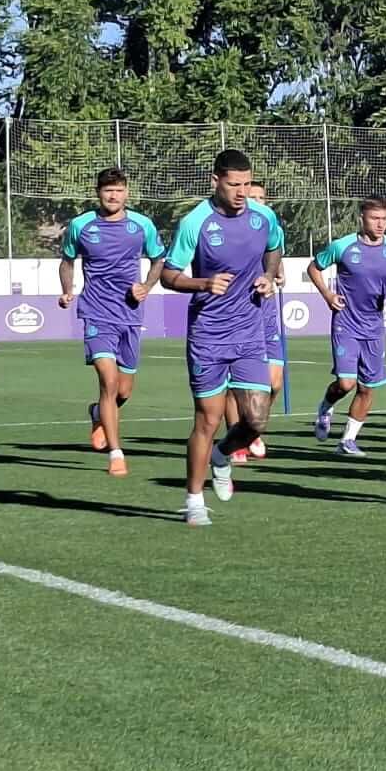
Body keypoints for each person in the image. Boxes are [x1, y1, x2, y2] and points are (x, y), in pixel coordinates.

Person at [159, 150, 285, 525]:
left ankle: (221, 455)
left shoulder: (264, 216)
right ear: (215, 181)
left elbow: (274, 249)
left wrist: (268, 275)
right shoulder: (195, 223)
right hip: (209, 335)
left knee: (256, 421)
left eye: (247, 184)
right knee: (208, 418)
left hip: (249, 331)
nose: (242, 192)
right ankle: (194, 500)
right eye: (234, 185)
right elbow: (168, 275)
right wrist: (202, 283)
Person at [57, 167, 165, 478]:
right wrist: (67, 291)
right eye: (107, 190)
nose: (113, 195)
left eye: (118, 190)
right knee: (108, 379)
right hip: (95, 312)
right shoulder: (81, 225)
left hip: (129, 315)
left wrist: (146, 286)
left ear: (126, 193)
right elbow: (67, 261)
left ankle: (97, 413)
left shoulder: (142, 225)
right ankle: (116, 453)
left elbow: (158, 259)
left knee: (124, 390)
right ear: (98, 193)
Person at [307, 196, 386, 457]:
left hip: (375, 327)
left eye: (384, 219)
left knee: (367, 388)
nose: (380, 224)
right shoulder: (342, 247)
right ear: (361, 219)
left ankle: (347, 441)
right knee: (345, 384)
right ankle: (325, 406)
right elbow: (314, 268)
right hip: (346, 323)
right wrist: (328, 295)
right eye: (375, 218)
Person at [229, 181, 286, 460]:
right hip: (238, 311)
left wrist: (278, 275)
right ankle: (236, 438)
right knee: (235, 384)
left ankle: (252, 428)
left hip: (266, 310)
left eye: (261, 197)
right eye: (252, 197)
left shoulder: (270, 223)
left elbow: (276, 257)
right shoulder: (233, 227)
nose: (257, 202)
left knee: (274, 382)